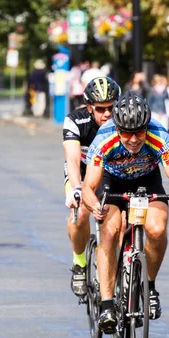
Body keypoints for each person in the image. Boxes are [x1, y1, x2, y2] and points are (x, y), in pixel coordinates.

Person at [82, 91, 169, 334]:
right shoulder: (104, 138)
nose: (133, 139)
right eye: (126, 133)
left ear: (146, 128)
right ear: (117, 129)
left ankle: (149, 287)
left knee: (157, 227)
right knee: (111, 230)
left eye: (139, 132)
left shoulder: (159, 136)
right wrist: (95, 206)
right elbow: (89, 186)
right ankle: (107, 304)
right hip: (112, 182)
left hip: (147, 180)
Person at [63, 76, 121, 297]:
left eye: (111, 108)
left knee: (122, 221)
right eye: (100, 109)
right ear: (89, 107)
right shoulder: (75, 121)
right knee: (79, 215)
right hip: (83, 171)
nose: (107, 114)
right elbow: (73, 159)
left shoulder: (122, 120)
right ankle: (79, 264)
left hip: (111, 172)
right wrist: (77, 188)